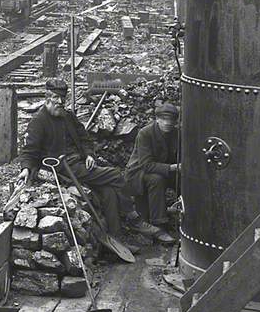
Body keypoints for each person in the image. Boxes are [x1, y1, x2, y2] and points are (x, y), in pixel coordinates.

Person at [18, 77, 126, 235]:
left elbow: (84, 138)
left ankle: (115, 236)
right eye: (55, 98)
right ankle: (133, 217)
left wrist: (89, 154)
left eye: (63, 98)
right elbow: (29, 150)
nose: (60, 102)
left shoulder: (68, 116)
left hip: (81, 163)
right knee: (116, 175)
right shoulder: (38, 122)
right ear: (47, 98)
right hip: (64, 170)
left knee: (109, 190)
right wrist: (26, 169)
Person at [125, 102, 180, 244]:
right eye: (164, 119)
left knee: (185, 180)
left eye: (171, 120)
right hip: (138, 173)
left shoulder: (176, 133)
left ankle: (188, 218)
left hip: (164, 169)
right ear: (157, 119)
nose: (168, 123)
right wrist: (174, 167)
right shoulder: (145, 133)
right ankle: (159, 227)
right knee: (157, 180)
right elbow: (146, 165)